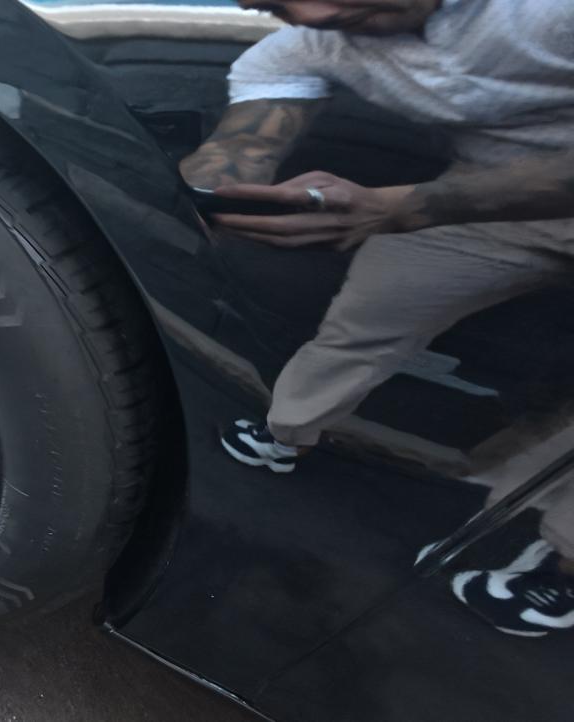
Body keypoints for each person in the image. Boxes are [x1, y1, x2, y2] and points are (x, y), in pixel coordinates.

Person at [180, 0, 574, 635]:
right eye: (277, 2)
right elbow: (234, 154)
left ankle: (564, 564)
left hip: (445, 200)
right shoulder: (303, 45)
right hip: (481, 207)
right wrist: (227, 196)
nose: (319, 12)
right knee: (366, 318)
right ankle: (288, 430)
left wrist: (408, 205)